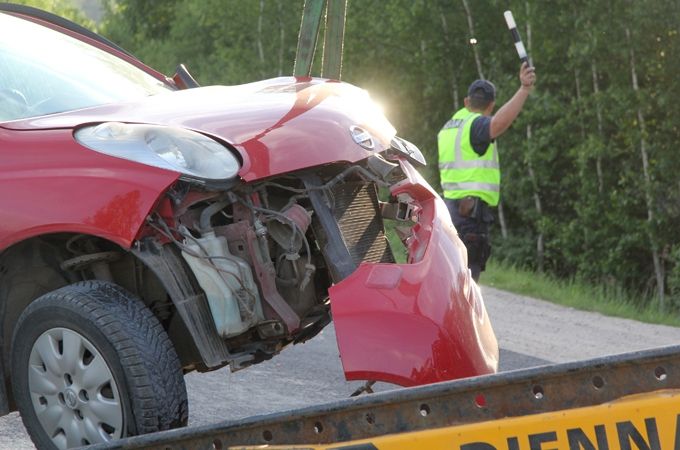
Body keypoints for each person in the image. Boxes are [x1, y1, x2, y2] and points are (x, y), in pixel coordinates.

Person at [438, 62, 536, 281]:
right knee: (467, 282)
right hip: (470, 216)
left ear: (466, 102)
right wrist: (524, 90)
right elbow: (498, 124)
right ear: (491, 106)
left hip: (449, 211)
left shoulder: (449, 127)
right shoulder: (476, 125)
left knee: (450, 279)